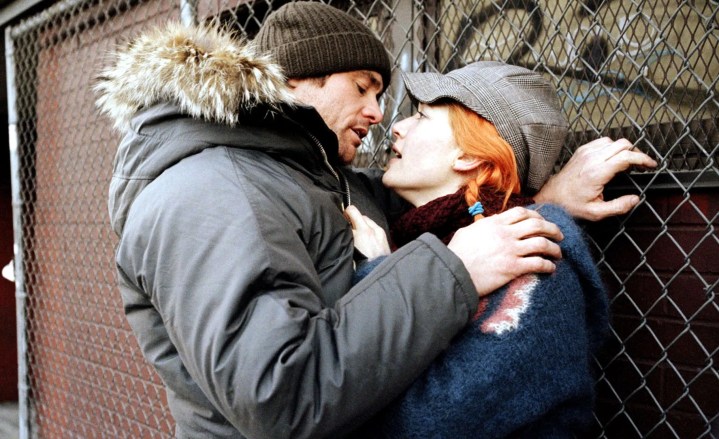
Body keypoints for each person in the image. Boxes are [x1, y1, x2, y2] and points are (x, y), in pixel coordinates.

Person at [94, 2, 654, 437]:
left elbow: (451, 204)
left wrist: (547, 199)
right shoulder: (218, 191)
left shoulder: (317, 180)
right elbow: (281, 394)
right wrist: (447, 270)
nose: (382, 117)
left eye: (395, 102)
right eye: (362, 87)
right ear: (294, 81)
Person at [347, 61, 610, 437]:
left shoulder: (533, 260)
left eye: (420, 116)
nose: (397, 127)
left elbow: (425, 425)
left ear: (469, 156)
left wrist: (381, 274)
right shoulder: (427, 237)